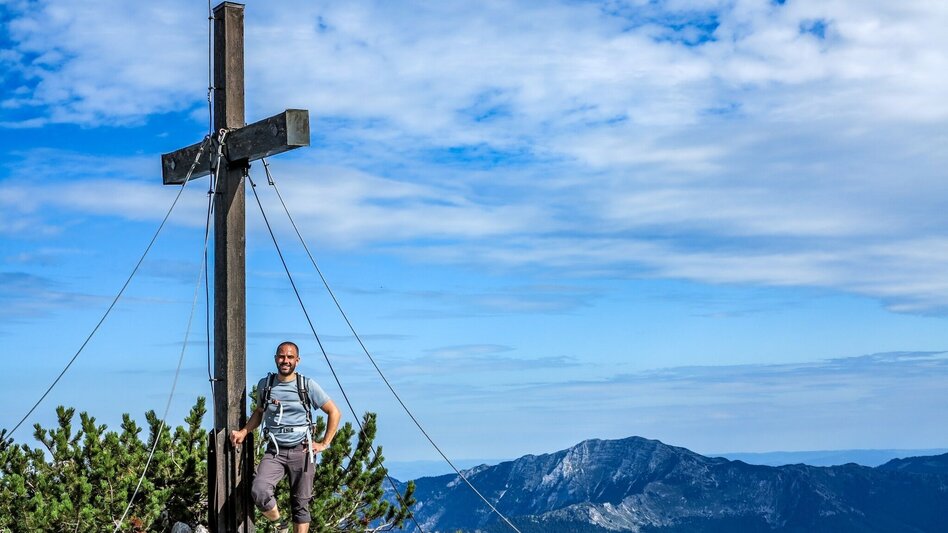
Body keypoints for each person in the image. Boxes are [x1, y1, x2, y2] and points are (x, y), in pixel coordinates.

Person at [230, 341, 341, 533]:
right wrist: (244, 432)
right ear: (275, 359)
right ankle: (281, 527)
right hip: (275, 451)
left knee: (300, 505)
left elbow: (334, 412)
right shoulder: (265, 385)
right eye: (282, 356)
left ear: (297, 361)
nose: (285, 361)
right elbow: (259, 412)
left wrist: (324, 444)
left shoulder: (307, 385)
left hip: (303, 451)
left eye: (290, 357)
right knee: (260, 490)